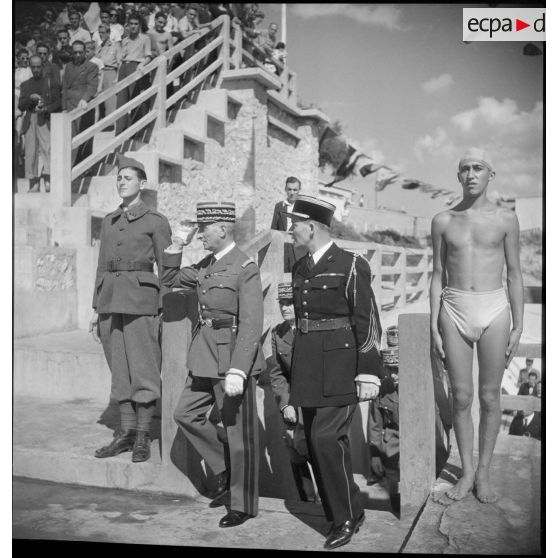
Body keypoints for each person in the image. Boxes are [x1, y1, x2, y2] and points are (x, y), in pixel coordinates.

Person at [287, 195, 384, 550]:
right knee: (311, 442)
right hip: (309, 363)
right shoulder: (299, 267)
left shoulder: (351, 264)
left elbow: (368, 321)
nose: (290, 229)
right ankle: (343, 510)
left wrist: (368, 372)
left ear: (311, 227)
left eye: (294, 223)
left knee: (327, 440)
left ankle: (345, 517)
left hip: (340, 365)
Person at [161, 202, 265, 529]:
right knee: (185, 414)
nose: (200, 233)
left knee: (239, 433)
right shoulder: (206, 264)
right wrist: (177, 244)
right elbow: (169, 277)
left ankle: (242, 503)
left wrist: (239, 367)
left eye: (204, 228)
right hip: (204, 354)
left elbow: (251, 322)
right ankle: (224, 467)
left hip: (230, 358)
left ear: (222, 228)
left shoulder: (244, 266)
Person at [430, 148, 523, 504]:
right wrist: (435, 326)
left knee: (489, 396)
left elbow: (515, 274)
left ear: (490, 175)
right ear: (458, 176)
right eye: (464, 169)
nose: (471, 174)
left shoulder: (506, 219)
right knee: (461, 396)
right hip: (453, 307)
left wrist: (517, 325)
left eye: (478, 168)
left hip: (494, 307)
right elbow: (437, 275)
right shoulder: (442, 220)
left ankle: (483, 471)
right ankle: (466, 471)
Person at [89, 155, 172, 463]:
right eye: (119, 178)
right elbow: (101, 267)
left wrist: (163, 307)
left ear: (142, 183)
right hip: (111, 301)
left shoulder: (155, 220)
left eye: (128, 177)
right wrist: (96, 307)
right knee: (119, 368)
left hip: (141, 302)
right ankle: (125, 433)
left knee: (144, 368)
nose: (122, 182)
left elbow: (167, 268)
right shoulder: (109, 221)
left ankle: (143, 435)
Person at [268, 282, 319, 503]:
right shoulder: (278, 333)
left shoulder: (315, 328)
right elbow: (278, 374)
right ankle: (307, 500)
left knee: (316, 448)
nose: (286, 308)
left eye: (291, 303)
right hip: (292, 402)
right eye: (283, 303)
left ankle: (329, 497)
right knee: (293, 448)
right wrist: (286, 404)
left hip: (316, 401)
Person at [18, 55, 61, 193]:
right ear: (30, 67)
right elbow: (21, 105)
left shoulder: (50, 82)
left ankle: (48, 180)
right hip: (30, 118)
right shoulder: (25, 84)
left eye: (38, 66)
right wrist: (31, 99)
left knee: (47, 149)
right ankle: (34, 183)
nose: (36, 69)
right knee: (31, 151)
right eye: (33, 67)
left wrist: (46, 108)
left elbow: (58, 103)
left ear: (42, 66)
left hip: (45, 119)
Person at [61, 40, 99, 165]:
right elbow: (65, 88)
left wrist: (85, 99)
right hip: (70, 106)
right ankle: (70, 166)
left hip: (83, 106)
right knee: (70, 137)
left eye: (80, 52)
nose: (77, 55)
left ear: (85, 53)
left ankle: (85, 166)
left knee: (84, 136)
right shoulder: (68, 67)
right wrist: (64, 107)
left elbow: (92, 86)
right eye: (75, 52)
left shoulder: (92, 66)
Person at [115, 12, 153, 135]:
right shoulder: (125, 40)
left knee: (136, 100)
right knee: (121, 102)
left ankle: (136, 132)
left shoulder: (145, 38)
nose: (133, 26)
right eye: (131, 24)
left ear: (140, 25)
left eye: (136, 24)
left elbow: (148, 56)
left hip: (136, 67)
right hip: (124, 69)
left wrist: (142, 64)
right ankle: (120, 132)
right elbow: (121, 59)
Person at [271, 176, 307, 272]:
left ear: (299, 190)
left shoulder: (305, 208)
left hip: (299, 252)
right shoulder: (279, 206)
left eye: (295, 190)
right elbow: (273, 229)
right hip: (282, 251)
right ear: (285, 189)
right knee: (281, 282)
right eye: (289, 189)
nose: (292, 193)